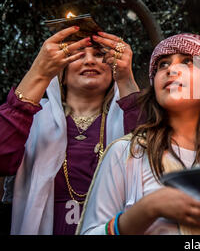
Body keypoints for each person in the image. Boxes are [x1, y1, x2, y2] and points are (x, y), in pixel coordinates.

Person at [77, 33, 200, 235]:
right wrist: (147, 208)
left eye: (187, 61)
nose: (170, 69)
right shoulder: (126, 153)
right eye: (162, 65)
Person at [0, 27, 141, 234]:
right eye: (78, 55)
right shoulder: (33, 117)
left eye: (100, 55)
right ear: (61, 76)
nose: (90, 61)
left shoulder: (130, 116)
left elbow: (152, 156)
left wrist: (127, 80)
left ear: (113, 72)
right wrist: (38, 73)